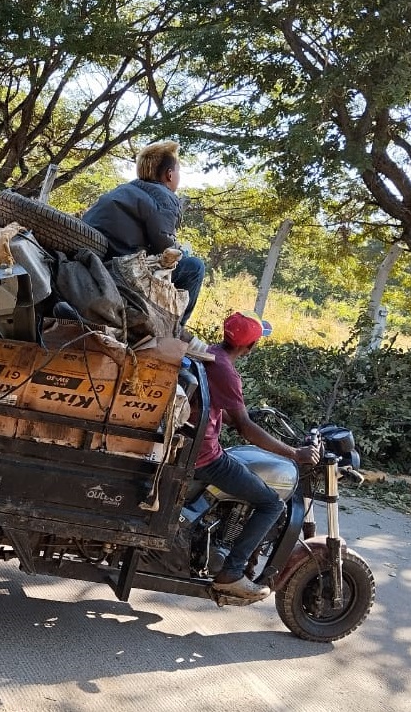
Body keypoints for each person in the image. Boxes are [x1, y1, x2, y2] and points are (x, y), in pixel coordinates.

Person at [192, 310, 319, 600]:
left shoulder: (210, 353)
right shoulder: (226, 370)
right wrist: (294, 453)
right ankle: (231, 573)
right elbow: (246, 427)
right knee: (271, 504)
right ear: (249, 348)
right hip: (205, 456)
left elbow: (223, 410)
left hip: (195, 445)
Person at [82, 140, 205, 327]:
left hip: (96, 262)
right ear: (169, 175)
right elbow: (164, 249)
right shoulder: (165, 198)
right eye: (178, 171)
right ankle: (176, 329)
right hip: (124, 269)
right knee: (195, 267)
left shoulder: (123, 189)